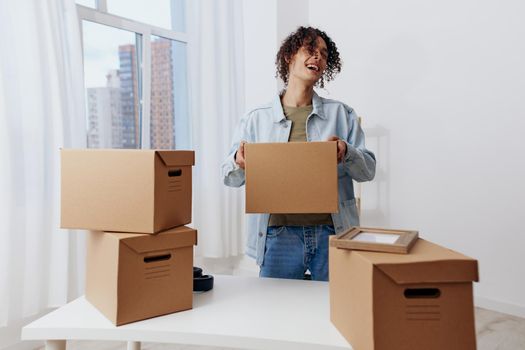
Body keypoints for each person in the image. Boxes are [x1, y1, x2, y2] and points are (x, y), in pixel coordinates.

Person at [221, 26, 376, 281]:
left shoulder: (342, 114)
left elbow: (367, 170)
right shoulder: (256, 119)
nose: (318, 57)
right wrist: (239, 162)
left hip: (332, 231)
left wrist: (347, 152)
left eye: (324, 54)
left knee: (332, 311)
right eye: (310, 50)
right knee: (276, 313)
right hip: (278, 235)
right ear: (289, 56)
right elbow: (228, 176)